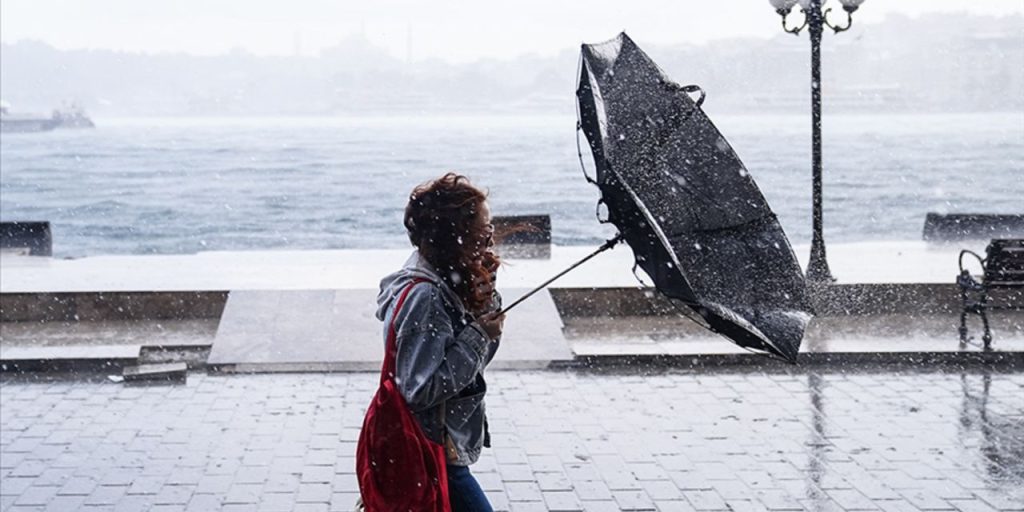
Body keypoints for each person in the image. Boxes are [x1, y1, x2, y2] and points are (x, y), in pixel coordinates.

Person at [374, 172, 504, 511]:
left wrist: (484, 302)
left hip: (436, 449)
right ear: (456, 236)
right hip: (431, 450)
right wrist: (478, 335)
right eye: (483, 230)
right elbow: (421, 388)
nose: (490, 239)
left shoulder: (442, 279)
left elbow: (474, 364)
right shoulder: (426, 297)